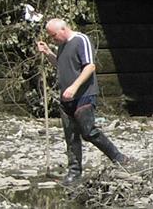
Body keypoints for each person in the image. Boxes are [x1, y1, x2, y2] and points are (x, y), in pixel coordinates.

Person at [35, 19, 129, 185]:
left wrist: (74, 86)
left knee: (88, 132)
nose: (52, 39)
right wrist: (49, 52)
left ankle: (118, 157)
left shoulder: (81, 40)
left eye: (53, 35)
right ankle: (74, 172)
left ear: (63, 29)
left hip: (84, 95)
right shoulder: (62, 45)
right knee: (70, 135)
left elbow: (90, 67)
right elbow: (61, 66)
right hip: (66, 98)